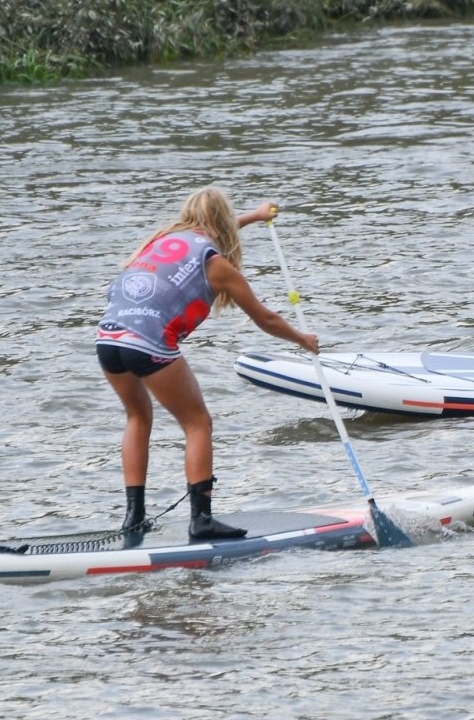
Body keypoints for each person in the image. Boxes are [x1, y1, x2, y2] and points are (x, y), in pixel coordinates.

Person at [97, 187, 318, 540]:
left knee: (138, 417)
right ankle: (202, 519)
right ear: (221, 221)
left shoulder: (165, 239)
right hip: (147, 342)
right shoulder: (217, 266)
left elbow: (219, 229)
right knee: (197, 423)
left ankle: (133, 518)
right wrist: (302, 340)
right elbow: (266, 319)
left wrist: (256, 215)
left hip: (108, 338)